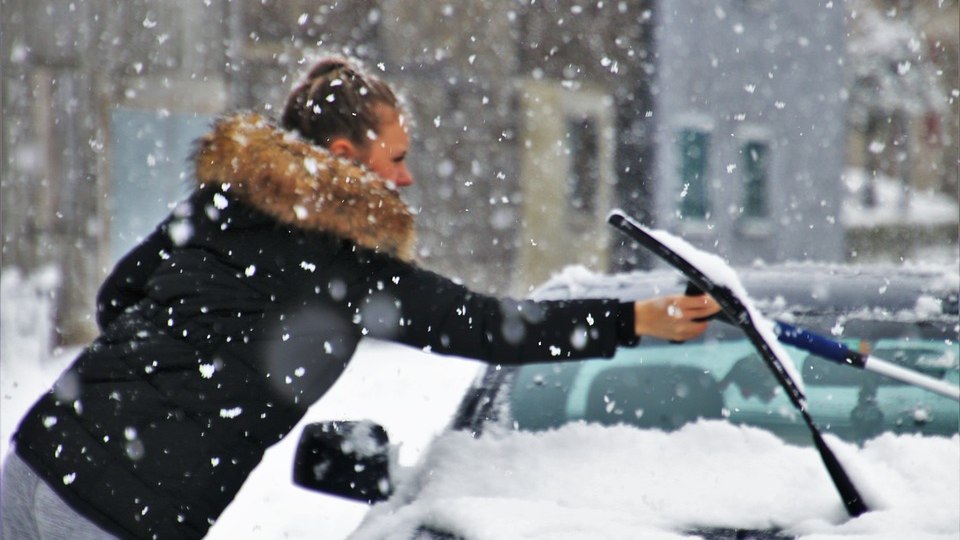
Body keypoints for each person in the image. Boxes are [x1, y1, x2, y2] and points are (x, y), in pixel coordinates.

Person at [2, 57, 720, 540]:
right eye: (396, 158)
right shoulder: (347, 267)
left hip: (38, 457)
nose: (405, 179)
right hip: (117, 512)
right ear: (345, 156)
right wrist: (632, 319)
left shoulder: (222, 204)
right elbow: (484, 324)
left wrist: (169, 371)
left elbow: (118, 297)